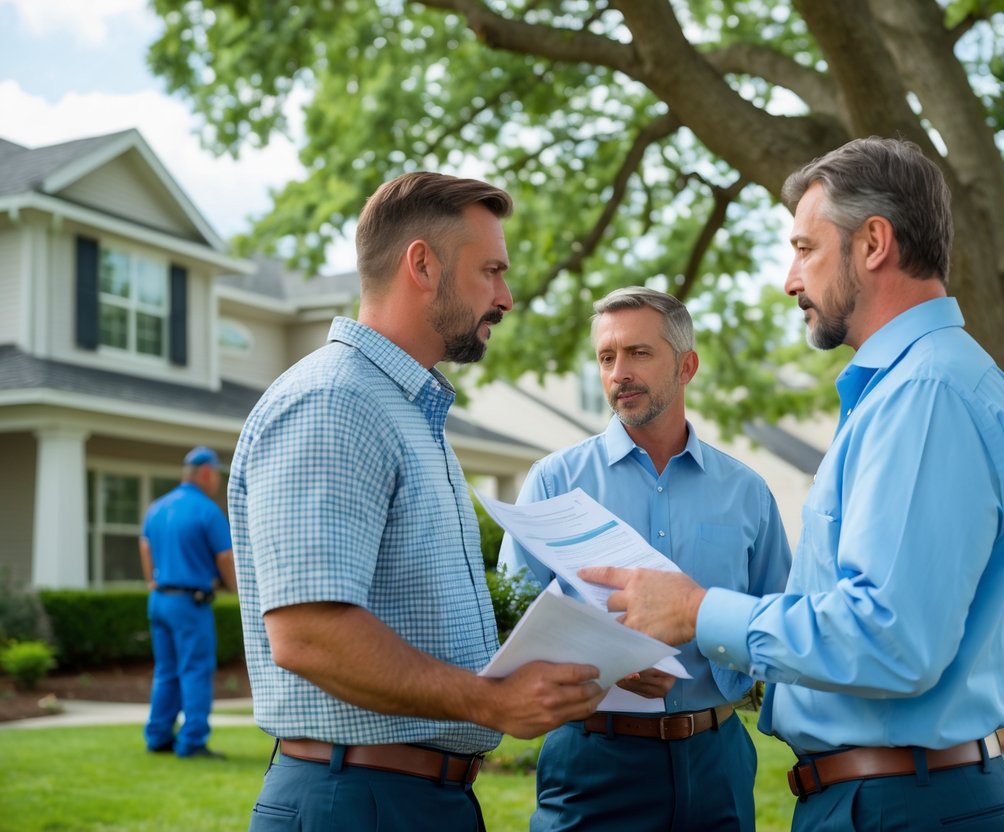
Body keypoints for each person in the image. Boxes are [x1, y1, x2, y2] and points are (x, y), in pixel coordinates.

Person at [582, 137, 1004, 831]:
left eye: (804, 248)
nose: (789, 277)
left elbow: (890, 639)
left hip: (895, 804)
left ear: (872, 243)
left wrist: (697, 612)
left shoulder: (922, 398)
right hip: (919, 794)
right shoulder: (963, 384)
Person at [228, 171, 606, 831]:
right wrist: (487, 701)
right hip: (358, 802)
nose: (506, 297)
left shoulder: (402, 410)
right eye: (490, 271)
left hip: (408, 798)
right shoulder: (335, 402)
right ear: (423, 265)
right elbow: (309, 635)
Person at [499, 286, 792, 832]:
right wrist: (608, 667)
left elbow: (780, 620)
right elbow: (517, 626)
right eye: (606, 358)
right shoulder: (555, 482)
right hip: (592, 764)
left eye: (638, 353)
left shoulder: (747, 493)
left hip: (717, 761)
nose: (618, 373)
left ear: (687, 366)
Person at [140, 445, 237, 758]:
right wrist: (238, 590)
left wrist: (151, 579)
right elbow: (225, 556)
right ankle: (192, 741)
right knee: (195, 670)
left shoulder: (157, 507)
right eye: (217, 476)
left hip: (159, 599)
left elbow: (144, 545)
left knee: (166, 670)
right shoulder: (207, 511)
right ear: (207, 473)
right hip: (189, 604)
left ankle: (158, 736)